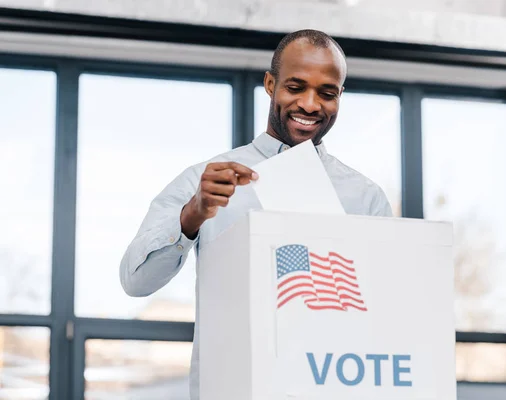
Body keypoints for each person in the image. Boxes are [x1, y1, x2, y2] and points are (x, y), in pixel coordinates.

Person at [119, 28, 393, 399]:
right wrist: (192, 216)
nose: (311, 105)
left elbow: (383, 314)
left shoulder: (365, 198)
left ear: (340, 96)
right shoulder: (205, 180)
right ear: (269, 84)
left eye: (327, 93)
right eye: (295, 87)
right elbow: (136, 282)